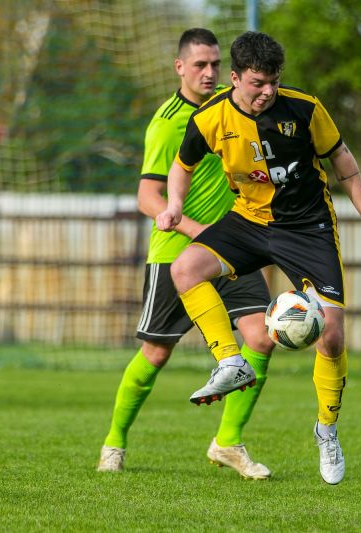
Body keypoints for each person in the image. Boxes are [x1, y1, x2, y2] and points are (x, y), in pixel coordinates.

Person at [155, 31, 361, 485]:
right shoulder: (210, 117)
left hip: (308, 228)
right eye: (257, 82)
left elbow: (342, 158)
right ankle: (230, 360)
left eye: (273, 81)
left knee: (330, 336)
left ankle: (326, 429)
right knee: (185, 268)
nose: (267, 90)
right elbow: (181, 166)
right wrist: (174, 205)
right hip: (248, 221)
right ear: (234, 79)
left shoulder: (305, 109)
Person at [97, 28, 276, 479]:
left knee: (261, 338)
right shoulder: (168, 122)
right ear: (180, 67)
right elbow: (148, 197)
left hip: (233, 248)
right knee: (156, 355)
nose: (209, 72)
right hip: (176, 253)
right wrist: (198, 230)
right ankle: (114, 442)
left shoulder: (234, 111)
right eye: (200, 64)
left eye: (216, 64)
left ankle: (228, 442)